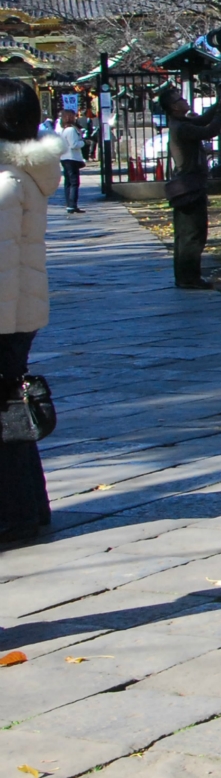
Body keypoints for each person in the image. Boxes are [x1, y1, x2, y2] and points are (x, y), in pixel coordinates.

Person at [0, 83, 59, 544]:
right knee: (10, 410)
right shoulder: (27, 169)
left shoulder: (5, 177)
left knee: (6, 416)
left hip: (5, 313)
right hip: (19, 310)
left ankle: (17, 512)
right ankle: (29, 507)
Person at [161, 88, 221, 289]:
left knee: (185, 233)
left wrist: (218, 104)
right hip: (189, 186)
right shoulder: (182, 127)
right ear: (173, 107)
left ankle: (185, 276)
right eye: (179, 99)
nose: (184, 101)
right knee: (192, 233)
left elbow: (203, 120)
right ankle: (189, 278)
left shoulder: (182, 123)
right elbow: (209, 130)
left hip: (188, 184)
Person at [55, 111, 84, 215]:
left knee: (68, 182)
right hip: (71, 158)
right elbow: (74, 144)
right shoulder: (71, 130)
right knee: (74, 182)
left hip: (65, 157)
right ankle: (72, 204)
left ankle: (69, 204)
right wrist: (83, 142)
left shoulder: (64, 130)